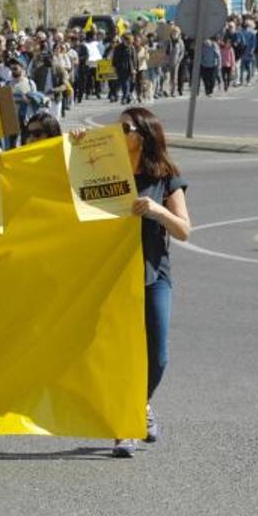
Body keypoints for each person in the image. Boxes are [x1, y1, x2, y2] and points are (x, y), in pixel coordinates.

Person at [104, 107, 191, 458]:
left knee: (158, 355)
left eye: (124, 128)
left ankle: (140, 404)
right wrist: (80, 147)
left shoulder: (165, 176)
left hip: (153, 275)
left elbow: (184, 230)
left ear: (142, 135)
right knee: (119, 353)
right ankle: (126, 427)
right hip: (109, 277)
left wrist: (157, 211)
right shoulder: (106, 172)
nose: (117, 133)